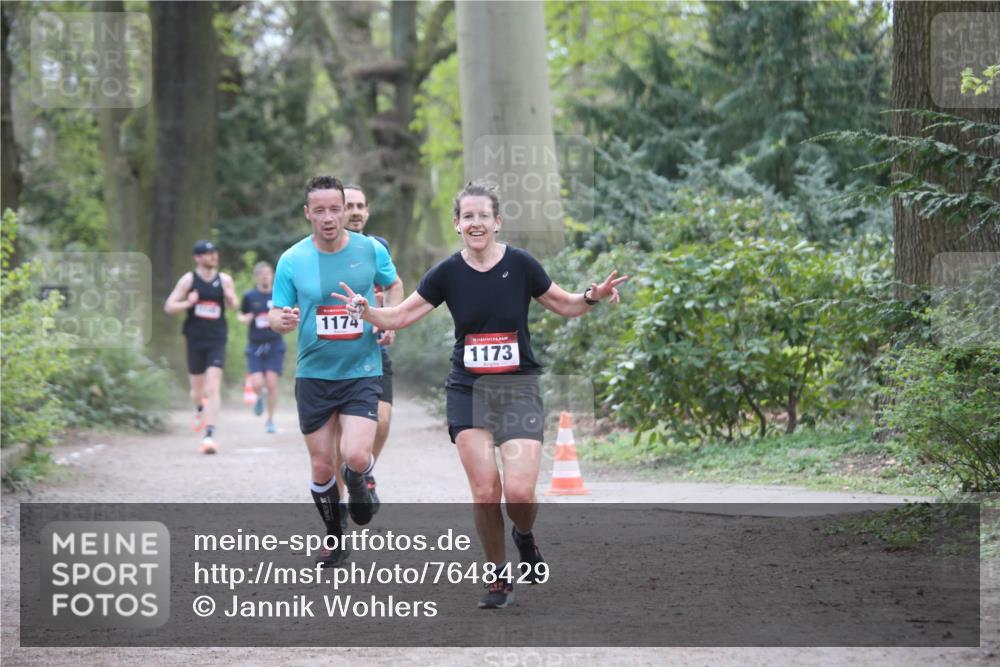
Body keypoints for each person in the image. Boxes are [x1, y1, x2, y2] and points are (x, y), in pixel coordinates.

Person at [334, 181, 627, 608]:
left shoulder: (521, 264)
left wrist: (591, 296)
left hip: (518, 388)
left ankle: (523, 535)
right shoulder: (447, 273)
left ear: (497, 222)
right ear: (457, 224)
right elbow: (399, 316)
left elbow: (566, 304)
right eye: (467, 216)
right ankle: (497, 574)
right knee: (487, 491)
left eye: (483, 216)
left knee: (520, 494)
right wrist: (368, 312)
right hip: (468, 390)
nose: (475, 223)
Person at [269, 175, 403, 568]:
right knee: (322, 465)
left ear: (345, 210)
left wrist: (388, 320)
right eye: (320, 210)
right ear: (307, 213)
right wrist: (283, 321)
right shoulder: (292, 259)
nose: (328, 217)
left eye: (334, 209)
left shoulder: (370, 249)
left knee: (356, 455)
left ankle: (361, 480)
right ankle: (334, 535)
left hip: (362, 368)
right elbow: (275, 313)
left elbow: (394, 285)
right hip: (314, 373)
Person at [331, 185, 398, 522]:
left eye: (361, 206)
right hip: (334, 356)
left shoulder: (377, 248)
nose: (355, 211)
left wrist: (390, 320)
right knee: (338, 438)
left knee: (382, 420)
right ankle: (340, 509)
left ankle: (363, 473)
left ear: (368, 211)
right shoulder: (322, 252)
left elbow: (393, 286)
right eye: (349, 205)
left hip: (373, 350)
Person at [164, 240, 240, 455]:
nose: (213, 256)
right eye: (208, 254)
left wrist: (230, 297)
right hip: (195, 339)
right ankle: (199, 407)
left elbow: (234, 305)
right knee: (197, 392)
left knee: (212, 386)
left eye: (214, 253)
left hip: (217, 338)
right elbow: (169, 306)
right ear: (197, 258)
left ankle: (209, 435)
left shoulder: (224, 279)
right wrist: (188, 303)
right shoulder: (189, 280)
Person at [237, 261, 285, 433]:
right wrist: (245, 319)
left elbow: (287, 311)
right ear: (257, 277)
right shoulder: (250, 296)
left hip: (275, 344)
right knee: (256, 383)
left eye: (268, 273)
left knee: (271, 382)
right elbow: (241, 314)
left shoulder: (278, 295)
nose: (265, 276)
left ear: (272, 276)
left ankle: (270, 420)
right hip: (255, 345)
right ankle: (259, 396)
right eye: (262, 274)